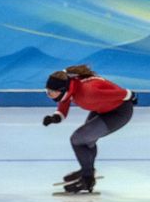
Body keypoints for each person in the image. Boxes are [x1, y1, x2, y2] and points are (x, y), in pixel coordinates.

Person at [43, 65, 137, 194]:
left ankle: (87, 180)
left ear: (64, 89)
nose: (50, 95)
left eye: (52, 92)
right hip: (102, 108)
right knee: (86, 141)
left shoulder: (89, 93)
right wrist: (55, 117)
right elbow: (64, 102)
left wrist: (131, 95)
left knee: (78, 139)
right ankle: (87, 170)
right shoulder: (70, 84)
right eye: (48, 92)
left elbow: (122, 93)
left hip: (118, 113)